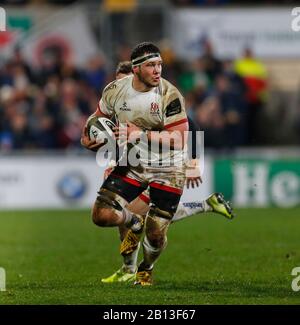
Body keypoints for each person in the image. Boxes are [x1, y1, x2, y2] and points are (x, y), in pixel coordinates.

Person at [81, 45, 234, 286]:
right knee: (104, 214)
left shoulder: (169, 95)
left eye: (159, 65)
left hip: (168, 166)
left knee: (154, 228)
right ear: (135, 70)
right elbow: (96, 119)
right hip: (134, 161)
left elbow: (184, 134)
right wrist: (86, 136)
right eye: (152, 65)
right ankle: (130, 257)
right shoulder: (114, 91)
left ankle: (143, 268)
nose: (158, 70)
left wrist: (193, 159)